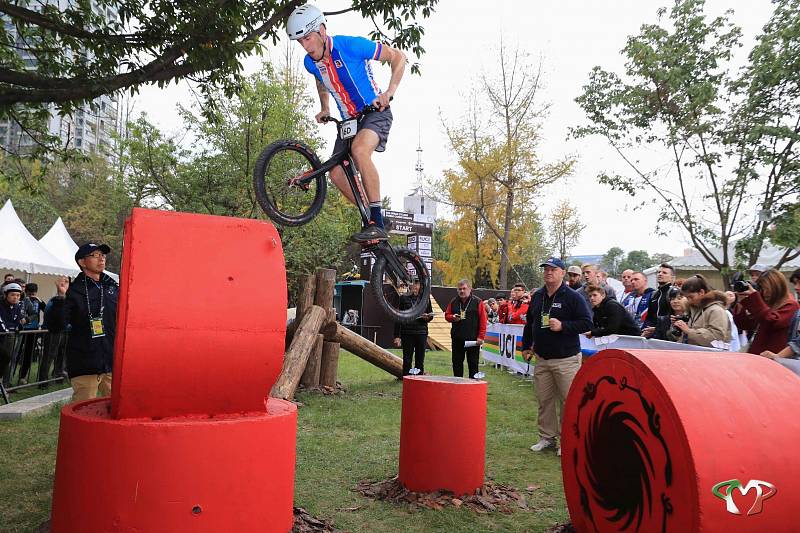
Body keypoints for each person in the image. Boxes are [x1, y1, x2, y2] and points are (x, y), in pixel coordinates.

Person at [287, 4, 407, 243]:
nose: (306, 46)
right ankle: (373, 218)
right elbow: (321, 81)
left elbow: (399, 56)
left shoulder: (350, 45)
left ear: (321, 30)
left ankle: (377, 220)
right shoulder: (310, 62)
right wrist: (325, 107)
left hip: (375, 112)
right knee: (336, 173)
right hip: (349, 121)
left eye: (308, 38)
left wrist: (389, 91)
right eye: (300, 42)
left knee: (360, 150)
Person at [522, 257, 592, 456]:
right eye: (545, 270)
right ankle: (546, 437)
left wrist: (563, 326)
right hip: (542, 358)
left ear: (562, 273)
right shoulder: (537, 296)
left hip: (566, 359)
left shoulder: (573, 297)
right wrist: (526, 346)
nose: (548, 273)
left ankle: (567, 440)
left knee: (568, 401)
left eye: (553, 269)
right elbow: (530, 323)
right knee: (544, 400)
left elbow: (587, 323)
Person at [48, 243, 119, 402]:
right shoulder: (73, 290)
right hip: (85, 363)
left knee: (115, 412)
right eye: (95, 255)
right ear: (82, 262)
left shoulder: (113, 287)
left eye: (103, 255)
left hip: (111, 362)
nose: (101, 258)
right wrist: (61, 297)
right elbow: (56, 325)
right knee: (84, 412)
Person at [733, 268, 800, 355]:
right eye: (762, 289)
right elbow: (744, 324)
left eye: (767, 289)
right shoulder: (766, 305)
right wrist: (741, 302)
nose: (765, 293)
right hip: (758, 357)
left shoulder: (791, 305)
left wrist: (755, 298)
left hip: (775, 359)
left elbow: (771, 321)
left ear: (777, 287)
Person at [669, 275, 731, 348]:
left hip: (710, 356)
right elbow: (686, 338)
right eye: (686, 297)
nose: (688, 300)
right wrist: (678, 328)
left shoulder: (716, 310)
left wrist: (689, 331)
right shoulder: (694, 309)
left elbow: (717, 336)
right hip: (694, 354)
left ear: (701, 292)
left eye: (691, 297)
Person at [444, 279, 487, 379]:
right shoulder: (454, 301)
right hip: (457, 338)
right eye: (459, 289)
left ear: (470, 289)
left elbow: (483, 321)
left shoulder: (478, 302)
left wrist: (481, 337)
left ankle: (473, 386)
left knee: (473, 363)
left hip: (472, 339)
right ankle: (457, 384)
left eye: (464, 289)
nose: (462, 291)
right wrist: (453, 317)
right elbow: (447, 315)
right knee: (457, 363)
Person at [393, 279, 434, 375]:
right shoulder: (403, 298)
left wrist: (427, 318)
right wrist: (396, 336)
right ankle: (407, 379)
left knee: (420, 359)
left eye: (418, 283)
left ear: (421, 286)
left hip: (421, 332)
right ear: (410, 285)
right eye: (413, 283)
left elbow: (430, 315)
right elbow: (398, 317)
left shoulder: (425, 298)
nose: (415, 286)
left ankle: (419, 380)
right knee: (407, 359)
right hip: (407, 333)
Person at [17, 282, 44, 385]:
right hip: (22, 330)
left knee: (28, 354)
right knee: (17, 353)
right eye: (30, 294)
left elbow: (46, 310)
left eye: (34, 294)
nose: (32, 296)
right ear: (26, 292)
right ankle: (9, 378)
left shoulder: (38, 301)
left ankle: (22, 376)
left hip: (33, 330)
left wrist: (41, 301)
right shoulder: (23, 300)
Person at [0, 282, 26, 388]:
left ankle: (5, 384)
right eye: (12, 295)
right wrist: (10, 329)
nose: (15, 297)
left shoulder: (16, 307)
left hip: (9, 337)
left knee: (8, 360)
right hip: (3, 336)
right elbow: (2, 323)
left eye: (18, 295)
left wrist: (16, 327)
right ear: (6, 295)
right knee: (4, 358)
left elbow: (17, 322)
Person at [642, 264, 676, 338]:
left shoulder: (674, 293)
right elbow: (649, 317)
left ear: (672, 278)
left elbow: (675, 316)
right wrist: (645, 330)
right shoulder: (654, 294)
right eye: (659, 272)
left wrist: (657, 328)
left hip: (668, 336)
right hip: (653, 335)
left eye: (664, 273)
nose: (660, 274)